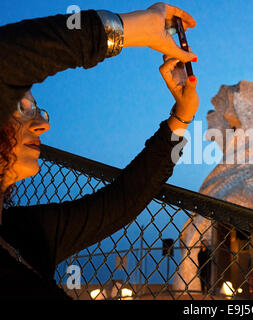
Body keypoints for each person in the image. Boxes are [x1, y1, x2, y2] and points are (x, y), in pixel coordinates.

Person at [0, 3, 199, 299]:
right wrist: (136, 27)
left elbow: (123, 200)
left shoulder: (23, 234)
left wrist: (181, 118)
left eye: (39, 110)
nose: (43, 123)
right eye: (21, 107)